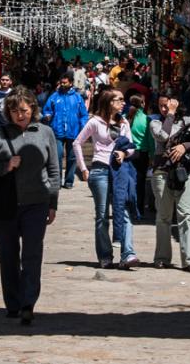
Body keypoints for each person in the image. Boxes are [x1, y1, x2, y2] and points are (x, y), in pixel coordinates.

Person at [0, 86, 59, 325]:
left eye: (23, 110)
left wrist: (53, 202)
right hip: (5, 205)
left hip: (37, 203)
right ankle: (12, 303)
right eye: (14, 111)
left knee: (32, 255)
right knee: (8, 256)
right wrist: (5, 166)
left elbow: (54, 170)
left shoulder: (45, 133)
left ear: (32, 109)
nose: (19, 115)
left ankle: (28, 303)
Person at [73, 89, 139, 269]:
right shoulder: (95, 122)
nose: (123, 103)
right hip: (100, 170)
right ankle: (105, 256)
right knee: (102, 215)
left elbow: (132, 147)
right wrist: (83, 168)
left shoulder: (123, 122)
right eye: (119, 100)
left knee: (124, 211)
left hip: (119, 170)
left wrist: (124, 152)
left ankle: (128, 254)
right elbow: (77, 142)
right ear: (109, 102)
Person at [149, 95, 190, 272]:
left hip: (185, 172)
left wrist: (184, 146)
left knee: (187, 215)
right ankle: (162, 258)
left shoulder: (189, 121)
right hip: (162, 173)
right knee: (164, 217)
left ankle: (189, 259)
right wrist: (170, 115)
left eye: (168, 105)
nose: (164, 109)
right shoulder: (155, 123)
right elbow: (163, 136)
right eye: (161, 106)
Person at [42, 75, 89, 189]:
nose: (62, 84)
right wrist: (47, 116)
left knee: (72, 158)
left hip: (73, 132)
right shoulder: (54, 96)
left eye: (65, 82)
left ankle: (69, 181)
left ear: (71, 83)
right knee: (57, 156)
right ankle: (57, 182)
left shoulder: (78, 98)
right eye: (61, 82)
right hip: (57, 131)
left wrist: (82, 127)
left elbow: (83, 115)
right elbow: (47, 110)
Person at [126, 94, 153, 217]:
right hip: (142, 153)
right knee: (141, 183)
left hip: (128, 152)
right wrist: (152, 155)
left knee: (129, 181)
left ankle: (129, 207)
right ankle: (139, 209)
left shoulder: (125, 118)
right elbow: (150, 140)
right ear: (142, 104)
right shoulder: (147, 120)